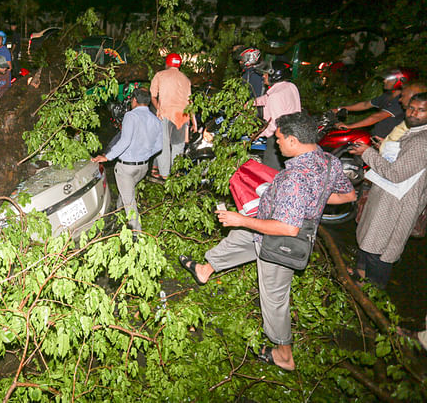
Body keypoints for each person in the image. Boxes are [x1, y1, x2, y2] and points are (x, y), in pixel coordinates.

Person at [179, 112, 356, 372]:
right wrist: (312, 200)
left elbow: (287, 227)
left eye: (280, 139)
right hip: (269, 225)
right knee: (242, 239)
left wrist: (241, 219)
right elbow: (348, 194)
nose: (276, 143)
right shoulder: (328, 162)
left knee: (274, 298)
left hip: (282, 241)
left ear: (295, 141)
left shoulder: (293, 179)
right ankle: (206, 269)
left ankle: (284, 354)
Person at [348, 92, 427, 288]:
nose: (413, 113)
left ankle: (374, 292)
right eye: (411, 108)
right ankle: (361, 275)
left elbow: (396, 173)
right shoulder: (416, 133)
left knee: (380, 249)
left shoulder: (422, 141)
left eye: (421, 110)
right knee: (370, 239)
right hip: (388, 195)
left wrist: (366, 152)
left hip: (396, 203)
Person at [92, 88, 164, 235]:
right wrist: (145, 154)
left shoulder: (131, 116)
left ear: (135, 100)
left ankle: (137, 236)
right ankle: (118, 216)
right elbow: (160, 145)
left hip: (126, 169)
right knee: (127, 194)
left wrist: (107, 157)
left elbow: (124, 141)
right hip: (143, 168)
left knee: (130, 203)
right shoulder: (156, 120)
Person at [332, 68, 412, 139]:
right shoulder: (388, 96)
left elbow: (377, 117)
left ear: (400, 81)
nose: (384, 81)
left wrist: (349, 126)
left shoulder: (401, 100)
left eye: (389, 79)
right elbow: (365, 104)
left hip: (386, 142)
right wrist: (339, 109)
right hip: (376, 136)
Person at [149, 53, 191, 181]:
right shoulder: (185, 79)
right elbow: (190, 102)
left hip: (165, 114)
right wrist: (191, 123)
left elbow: (153, 96)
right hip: (182, 116)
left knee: (164, 144)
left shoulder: (160, 75)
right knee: (178, 145)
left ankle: (165, 175)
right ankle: (176, 173)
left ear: (167, 63)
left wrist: (158, 108)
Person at [254, 61, 301, 170]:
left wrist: (258, 134)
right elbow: (267, 98)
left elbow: (275, 125)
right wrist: (252, 103)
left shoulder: (275, 96)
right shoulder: (290, 86)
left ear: (274, 75)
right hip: (295, 133)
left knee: (270, 171)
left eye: (266, 74)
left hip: (279, 138)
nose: (263, 76)